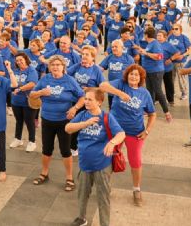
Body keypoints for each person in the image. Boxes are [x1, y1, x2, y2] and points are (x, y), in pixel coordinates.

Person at [66, 88, 126, 226]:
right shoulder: (83, 115)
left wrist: (112, 142)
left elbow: (121, 134)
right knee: (82, 194)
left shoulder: (106, 117)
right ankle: (81, 218)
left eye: (89, 99)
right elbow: (68, 128)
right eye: (85, 99)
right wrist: (86, 123)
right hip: (84, 163)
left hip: (102, 164)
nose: (86, 101)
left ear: (99, 102)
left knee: (103, 197)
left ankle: (104, 223)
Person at [99, 64, 155, 206]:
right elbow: (102, 85)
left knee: (135, 161)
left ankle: (136, 189)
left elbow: (152, 113)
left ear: (141, 78)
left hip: (135, 132)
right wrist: (119, 93)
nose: (133, 76)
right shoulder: (120, 84)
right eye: (131, 74)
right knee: (108, 157)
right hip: (115, 129)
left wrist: (147, 130)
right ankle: (106, 187)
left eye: (136, 75)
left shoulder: (144, 93)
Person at [30, 55, 85, 192]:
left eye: (58, 65)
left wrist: (75, 108)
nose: (55, 67)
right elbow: (32, 94)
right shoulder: (45, 79)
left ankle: (69, 177)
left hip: (64, 121)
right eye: (53, 64)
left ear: (63, 67)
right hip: (47, 119)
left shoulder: (69, 80)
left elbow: (82, 96)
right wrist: (42, 92)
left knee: (65, 150)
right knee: (46, 149)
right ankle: (44, 173)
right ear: (49, 67)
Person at [134, 27, 172, 122]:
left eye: (144, 35)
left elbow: (159, 56)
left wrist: (146, 53)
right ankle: (150, 111)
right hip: (149, 71)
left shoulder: (155, 44)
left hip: (155, 71)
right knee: (150, 91)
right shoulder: (150, 44)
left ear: (146, 35)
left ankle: (166, 112)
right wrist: (140, 49)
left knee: (158, 91)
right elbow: (148, 52)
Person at [9, 52, 39, 152]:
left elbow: (32, 83)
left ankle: (32, 141)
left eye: (21, 60)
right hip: (16, 101)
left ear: (26, 59)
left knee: (29, 121)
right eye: (17, 61)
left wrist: (20, 89)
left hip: (28, 101)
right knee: (19, 120)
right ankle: (18, 139)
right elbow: (12, 83)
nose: (19, 62)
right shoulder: (16, 70)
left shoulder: (31, 70)